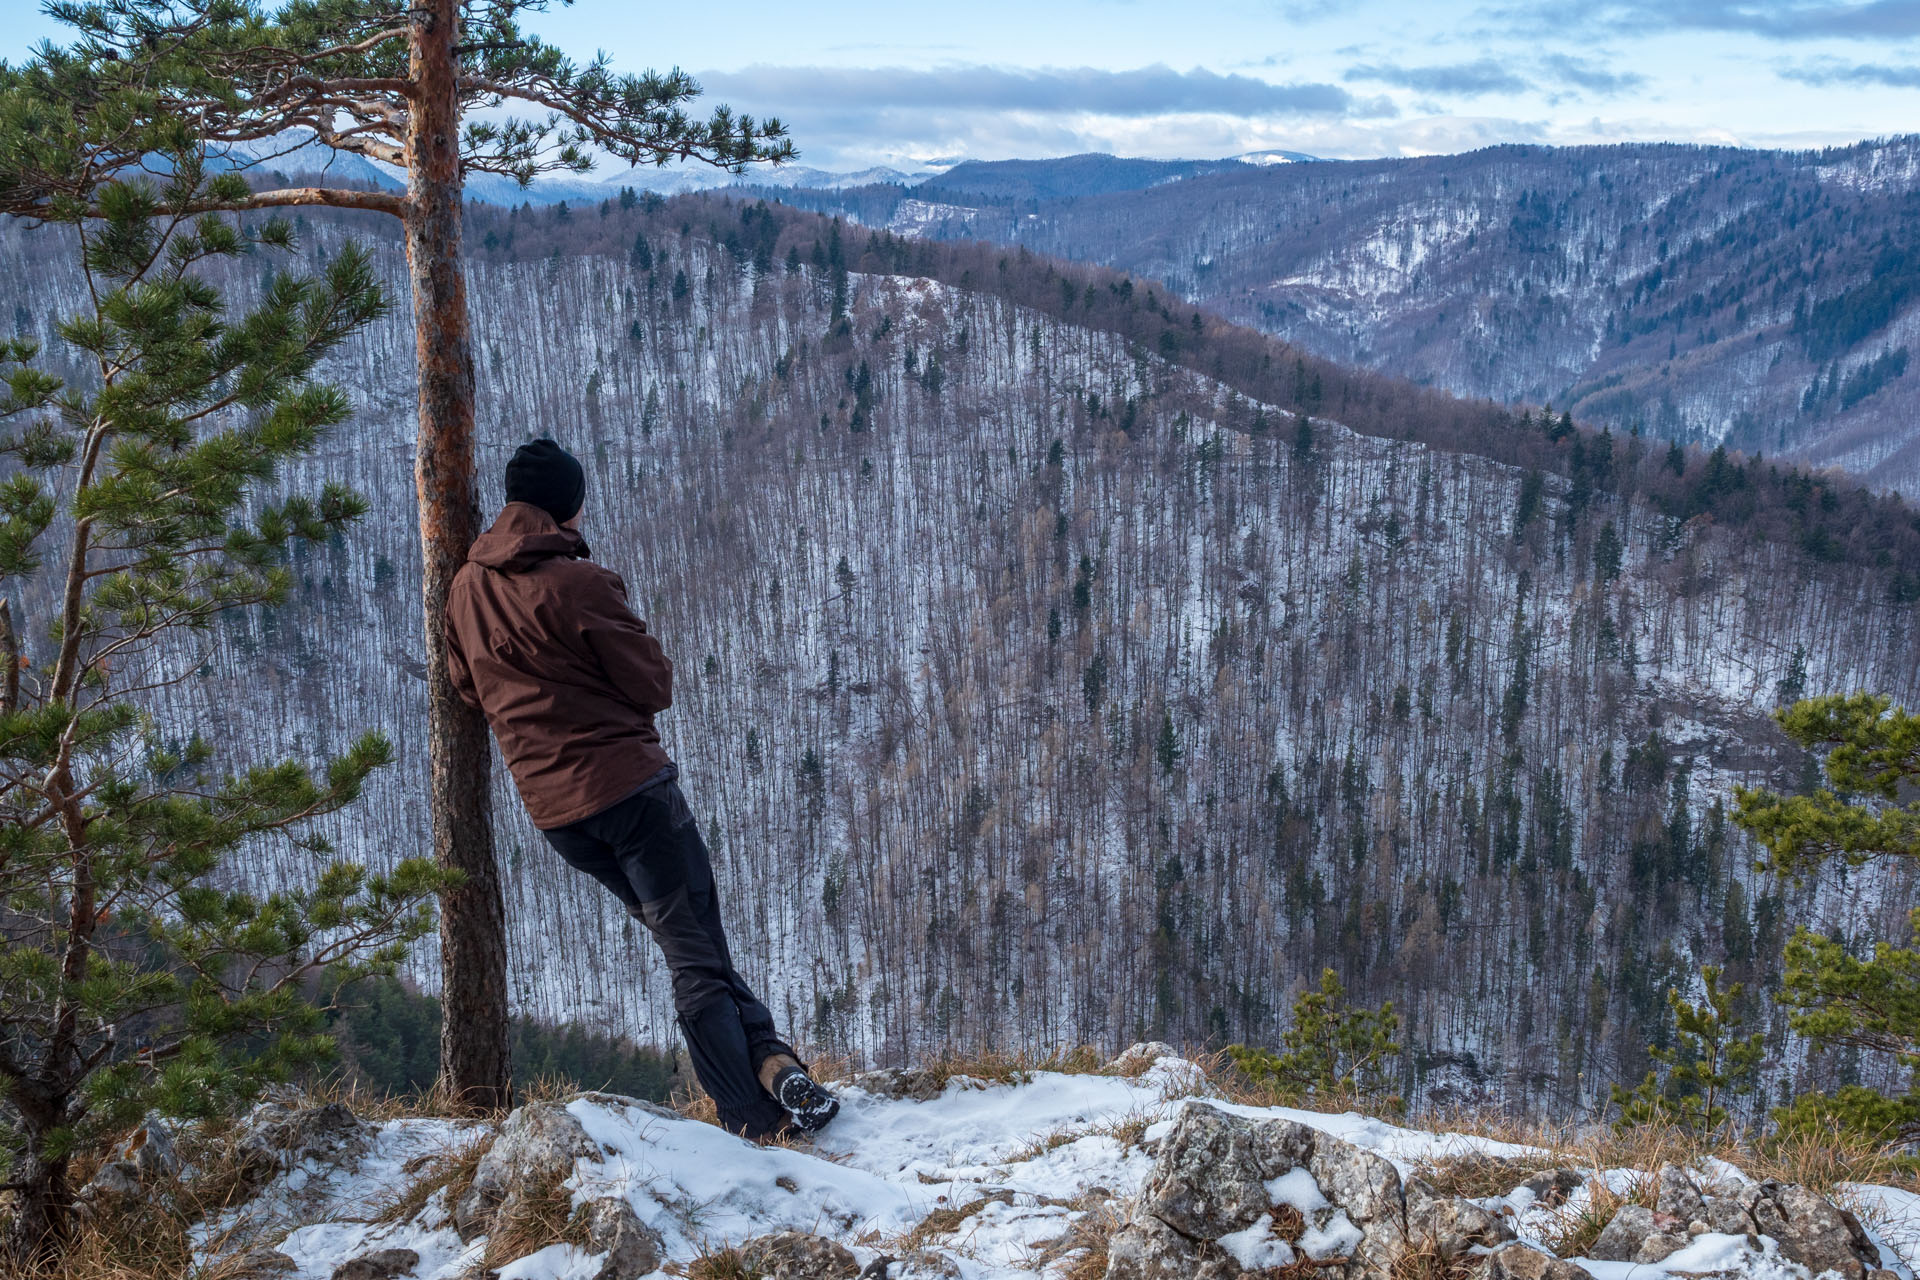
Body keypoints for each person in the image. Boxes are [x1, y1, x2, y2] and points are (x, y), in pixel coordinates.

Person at [445, 438, 839, 1140]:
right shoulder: (581, 583)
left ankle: (776, 1065)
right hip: (634, 798)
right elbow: (652, 686)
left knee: (688, 938)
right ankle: (751, 1117)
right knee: (693, 954)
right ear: (568, 506)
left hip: (559, 818)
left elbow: (466, 687)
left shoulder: (465, 588)